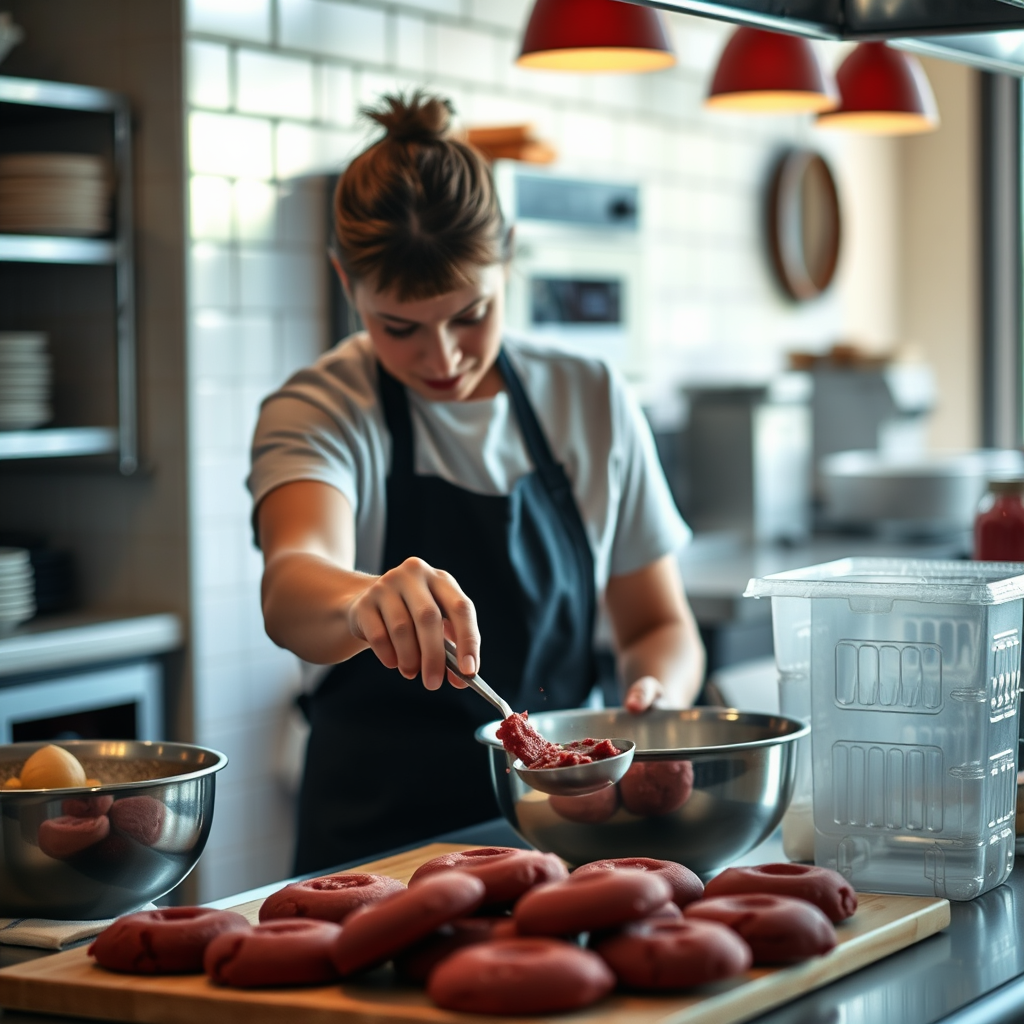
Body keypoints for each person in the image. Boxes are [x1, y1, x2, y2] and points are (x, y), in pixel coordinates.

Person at [247, 92, 705, 874]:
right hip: (376, 858)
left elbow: (657, 623)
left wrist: (657, 695)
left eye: (471, 315)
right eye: (400, 327)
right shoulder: (321, 408)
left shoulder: (589, 398)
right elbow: (292, 587)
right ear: (343, 279)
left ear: (509, 254)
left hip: (564, 843)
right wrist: (361, 602)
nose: (444, 357)